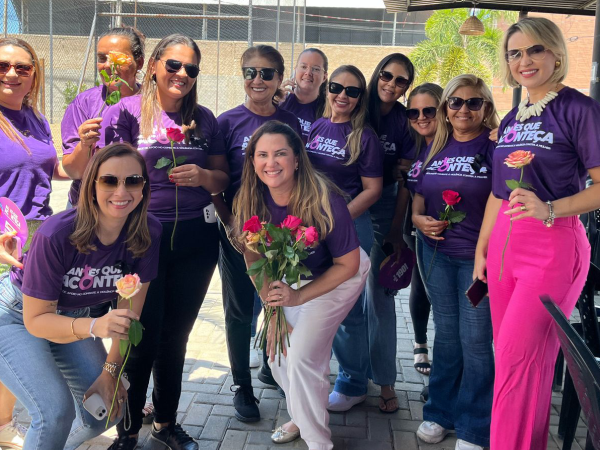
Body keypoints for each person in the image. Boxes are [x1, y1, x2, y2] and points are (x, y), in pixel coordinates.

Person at [474, 17, 600, 450]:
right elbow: (496, 195)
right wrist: (482, 252)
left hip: (552, 248)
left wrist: (550, 208)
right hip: (504, 249)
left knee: (516, 359)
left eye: (534, 51)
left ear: (556, 53)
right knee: (516, 361)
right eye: (515, 53)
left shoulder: (579, 110)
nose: (524, 61)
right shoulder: (511, 118)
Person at [106, 34, 229, 450]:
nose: (182, 75)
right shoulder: (125, 113)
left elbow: (221, 178)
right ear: (154, 64)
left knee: (176, 337)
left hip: (195, 236)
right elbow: (109, 177)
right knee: (138, 333)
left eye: (191, 69)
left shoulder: (205, 119)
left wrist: (202, 177)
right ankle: (126, 429)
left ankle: (165, 423)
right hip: (141, 236)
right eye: (174, 65)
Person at [0, 142, 161, 450]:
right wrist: (94, 328)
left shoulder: (147, 231)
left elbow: (130, 315)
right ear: (91, 186)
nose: (121, 191)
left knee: (104, 411)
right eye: (109, 180)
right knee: (54, 412)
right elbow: (36, 321)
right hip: (16, 315)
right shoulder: (57, 233)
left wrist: (110, 371)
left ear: (144, 188)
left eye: (133, 180)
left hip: (76, 318)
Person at [234, 120, 370, 450]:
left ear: (297, 159)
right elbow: (252, 256)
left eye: (280, 154)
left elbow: (348, 265)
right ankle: (301, 413)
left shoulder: (323, 198)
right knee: (277, 356)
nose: (271, 162)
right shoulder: (251, 199)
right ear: (252, 161)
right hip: (290, 280)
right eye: (262, 154)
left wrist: (298, 298)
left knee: (301, 360)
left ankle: (318, 441)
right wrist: (267, 296)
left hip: (339, 276)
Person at [215, 45, 301, 423]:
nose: (258, 80)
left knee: (278, 302)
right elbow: (217, 185)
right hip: (239, 234)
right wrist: (230, 223)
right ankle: (241, 386)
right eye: (250, 72)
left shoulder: (291, 123)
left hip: (281, 235)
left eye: (267, 73)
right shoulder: (227, 122)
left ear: (280, 78)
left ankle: (274, 367)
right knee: (238, 312)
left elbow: (300, 176)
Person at [413, 74, 498, 450]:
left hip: (477, 262)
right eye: (455, 102)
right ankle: (439, 412)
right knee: (446, 336)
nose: (463, 109)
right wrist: (417, 219)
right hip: (435, 255)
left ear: (486, 108)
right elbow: (419, 194)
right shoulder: (434, 147)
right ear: (446, 108)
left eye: (473, 102)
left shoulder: (496, 148)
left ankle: (475, 424)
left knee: (476, 341)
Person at [0, 36, 69, 449]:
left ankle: (4, 425)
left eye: (22, 68)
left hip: (36, 242)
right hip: (3, 245)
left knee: (12, 345)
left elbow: (55, 168)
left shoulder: (34, 118)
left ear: (34, 75)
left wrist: (86, 155)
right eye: (3, 64)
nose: (11, 73)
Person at [305, 65, 383, 412]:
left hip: (349, 227)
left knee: (349, 309)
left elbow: (373, 190)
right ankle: (314, 375)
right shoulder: (318, 126)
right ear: (327, 89)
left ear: (360, 98)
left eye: (352, 91)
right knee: (316, 303)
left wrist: (334, 220)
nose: (342, 95)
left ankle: (353, 383)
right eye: (337, 87)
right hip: (312, 230)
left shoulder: (364, 136)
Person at [364, 53, 415, 413]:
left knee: (380, 297)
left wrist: (397, 230)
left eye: (401, 81)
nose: (392, 85)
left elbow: (406, 181)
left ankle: (385, 381)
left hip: (385, 211)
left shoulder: (403, 121)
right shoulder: (353, 104)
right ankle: (347, 374)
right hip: (342, 207)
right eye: (387, 75)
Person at [62, 26, 145, 207]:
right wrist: (84, 146)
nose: (108, 65)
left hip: (138, 206)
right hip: (89, 206)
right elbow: (73, 171)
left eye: (117, 59)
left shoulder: (153, 103)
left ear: (139, 63)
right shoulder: (84, 104)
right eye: (102, 58)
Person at [403, 83, 444, 378]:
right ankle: (420, 342)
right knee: (420, 285)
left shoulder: (456, 141)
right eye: (413, 111)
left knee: (446, 303)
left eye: (429, 110)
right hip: (416, 225)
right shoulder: (413, 143)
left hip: (453, 233)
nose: (421, 117)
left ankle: (446, 365)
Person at [280, 48, 328, 143]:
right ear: (295, 70)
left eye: (315, 69)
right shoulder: (280, 101)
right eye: (303, 67)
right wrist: (271, 103)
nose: (308, 73)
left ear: (324, 77)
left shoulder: (328, 111)